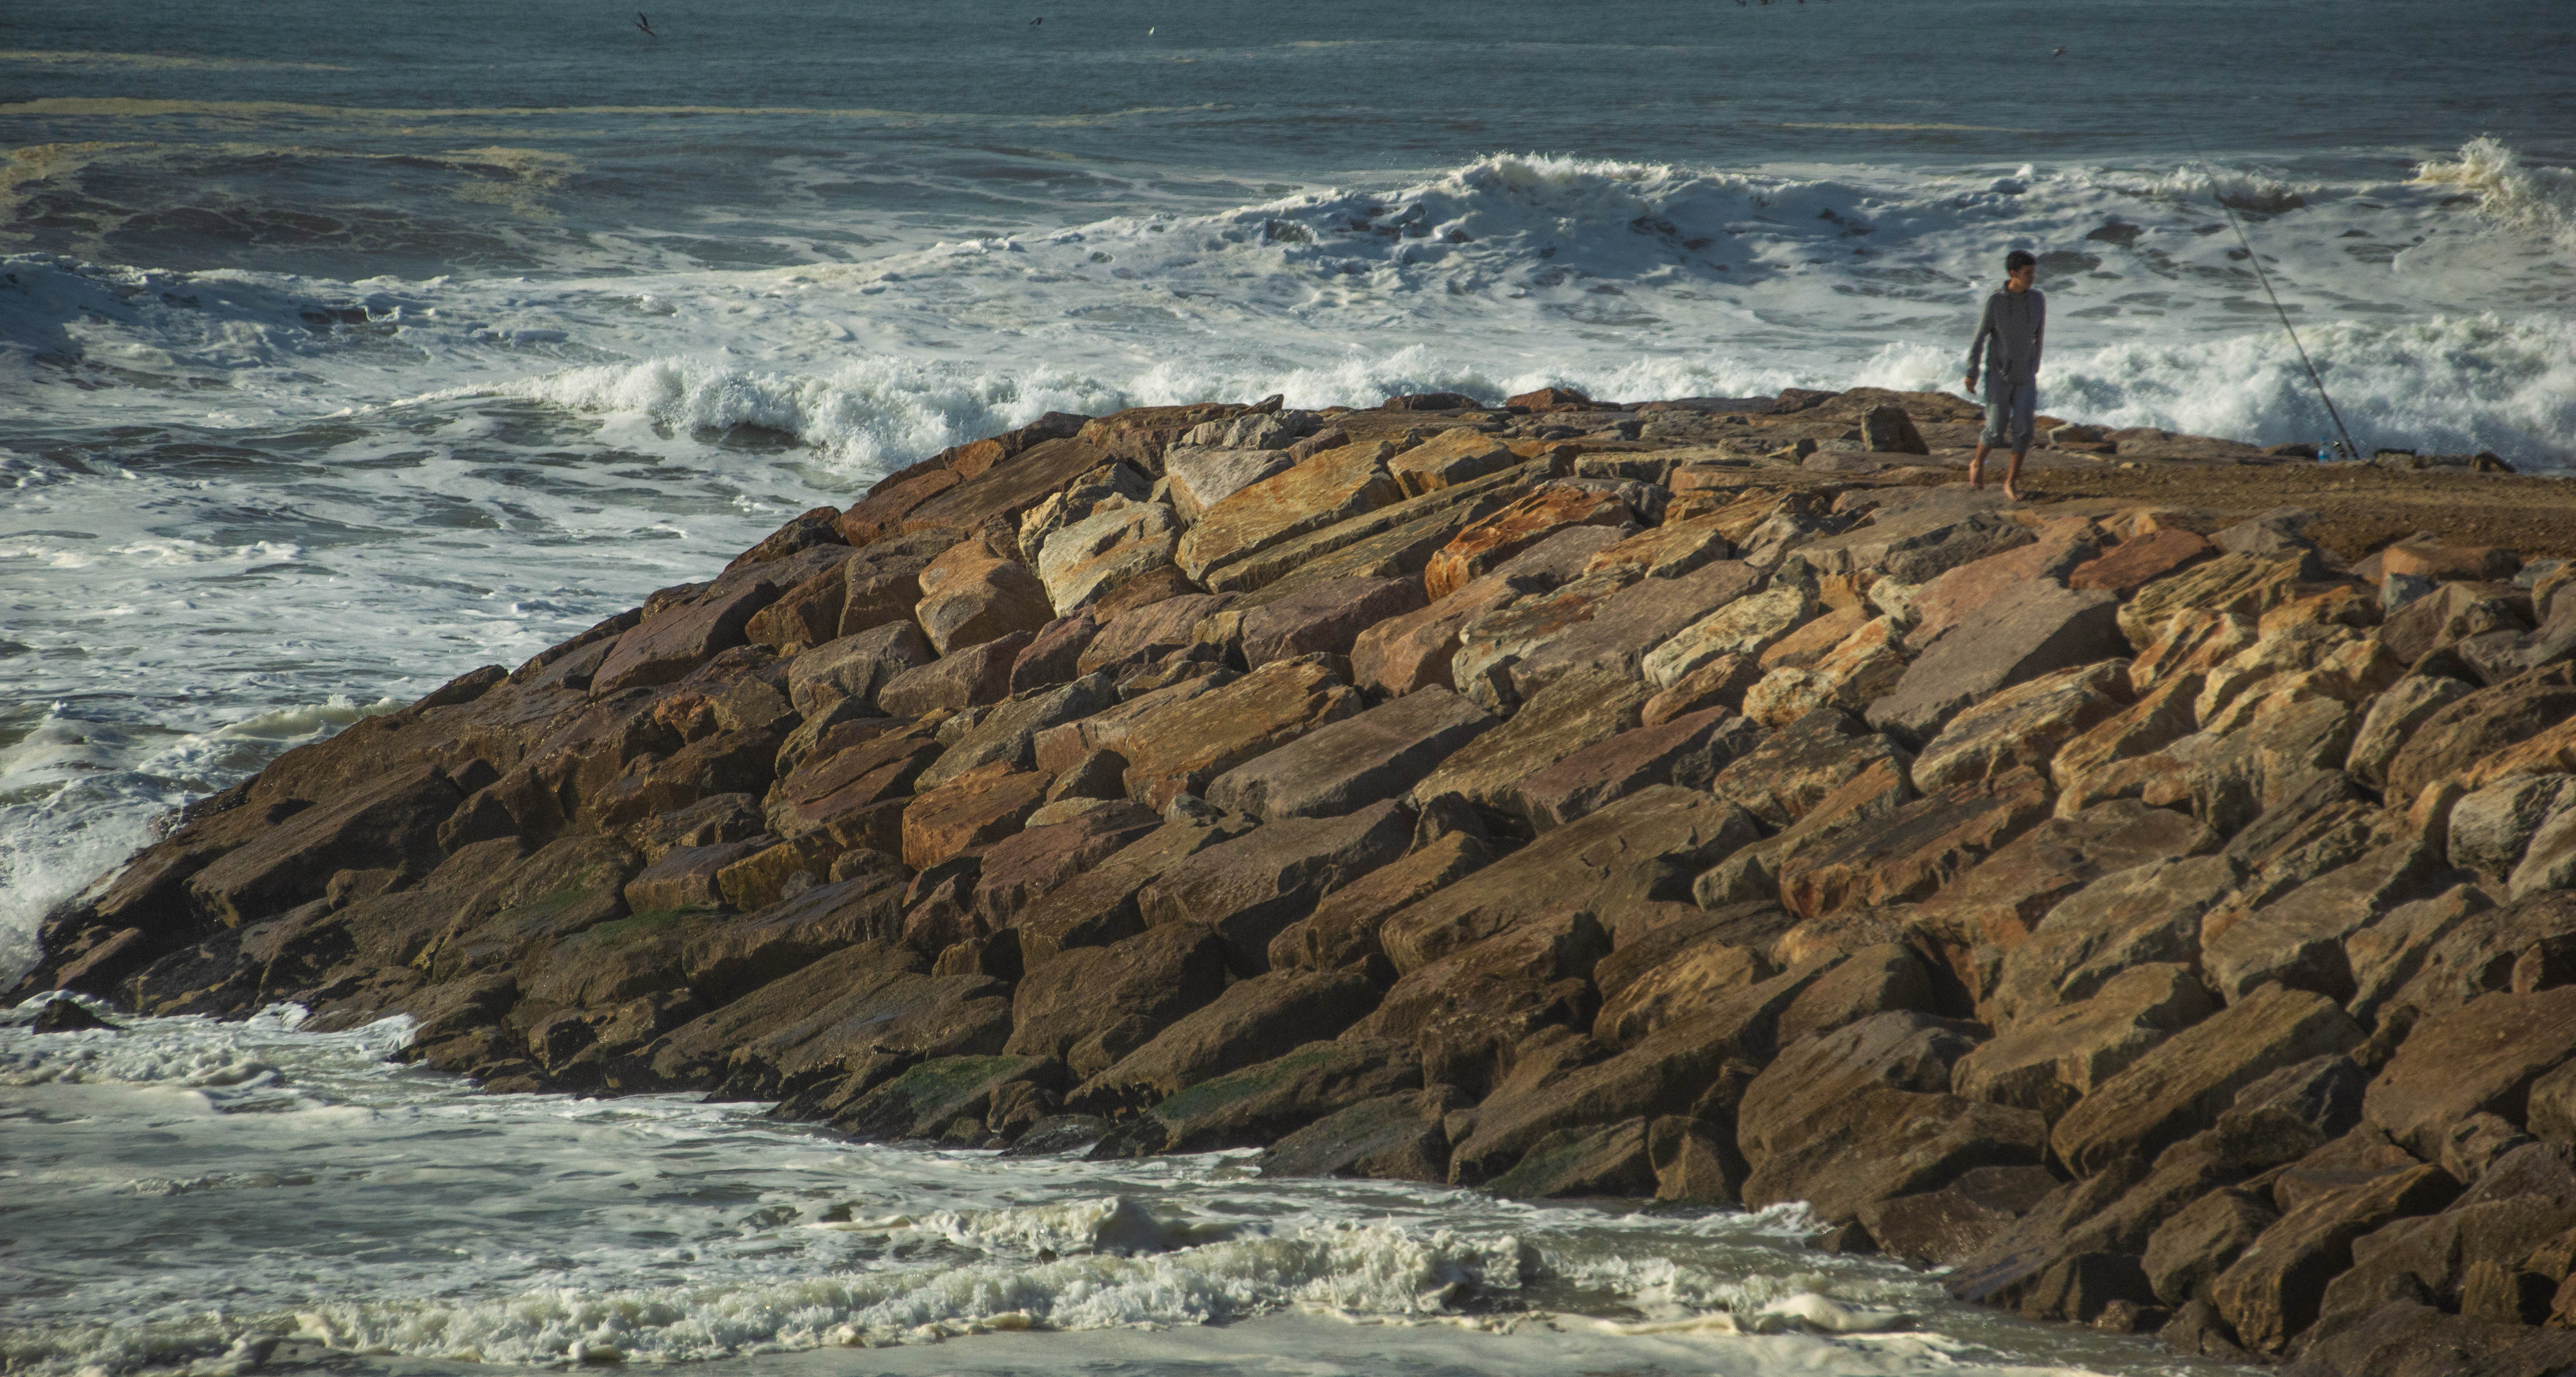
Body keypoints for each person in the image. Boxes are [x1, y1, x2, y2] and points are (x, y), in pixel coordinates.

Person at [1963, 249, 2045, 501]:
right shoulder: (1996, 302)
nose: (2032, 278)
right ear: (2013, 274)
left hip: (2026, 375)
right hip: (1999, 375)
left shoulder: (2038, 299)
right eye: (2027, 274)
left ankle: (2011, 483)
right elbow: (1979, 338)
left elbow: (2039, 335)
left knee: (2024, 430)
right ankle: (1977, 462)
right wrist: (1972, 372)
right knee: (1996, 429)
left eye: (2034, 273)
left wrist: (2035, 366)